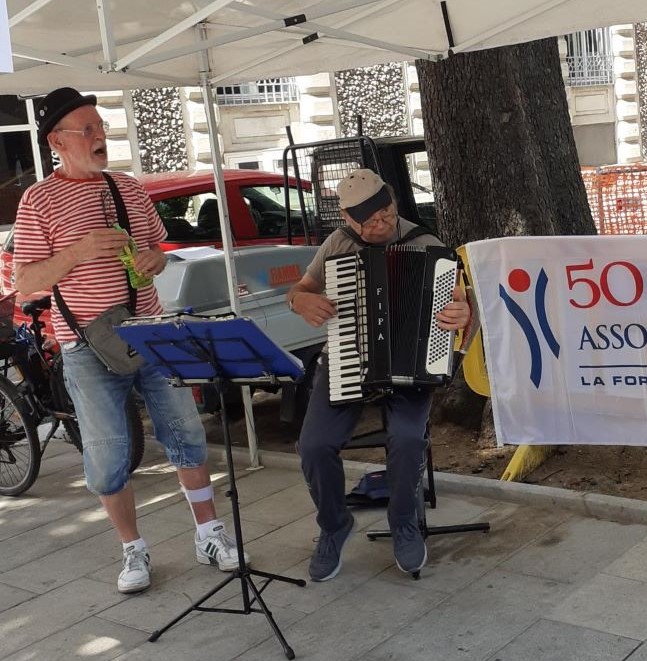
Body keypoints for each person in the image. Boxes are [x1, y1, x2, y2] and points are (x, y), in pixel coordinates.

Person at [13, 87, 245, 594]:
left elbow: (155, 250)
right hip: (85, 347)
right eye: (88, 129)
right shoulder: (38, 200)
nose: (102, 136)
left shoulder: (129, 187)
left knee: (185, 431)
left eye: (101, 126)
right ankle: (132, 550)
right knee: (107, 452)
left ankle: (209, 532)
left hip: (152, 330)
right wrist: (78, 251)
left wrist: (155, 261)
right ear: (58, 141)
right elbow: (26, 280)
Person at [287, 168, 469, 581]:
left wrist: (463, 315)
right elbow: (300, 290)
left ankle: (403, 520)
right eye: (371, 221)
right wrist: (301, 302)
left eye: (387, 213)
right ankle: (334, 526)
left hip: (411, 370)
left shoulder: (426, 244)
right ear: (348, 221)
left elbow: (462, 311)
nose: (383, 224)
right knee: (313, 446)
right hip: (347, 359)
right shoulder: (337, 245)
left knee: (407, 439)